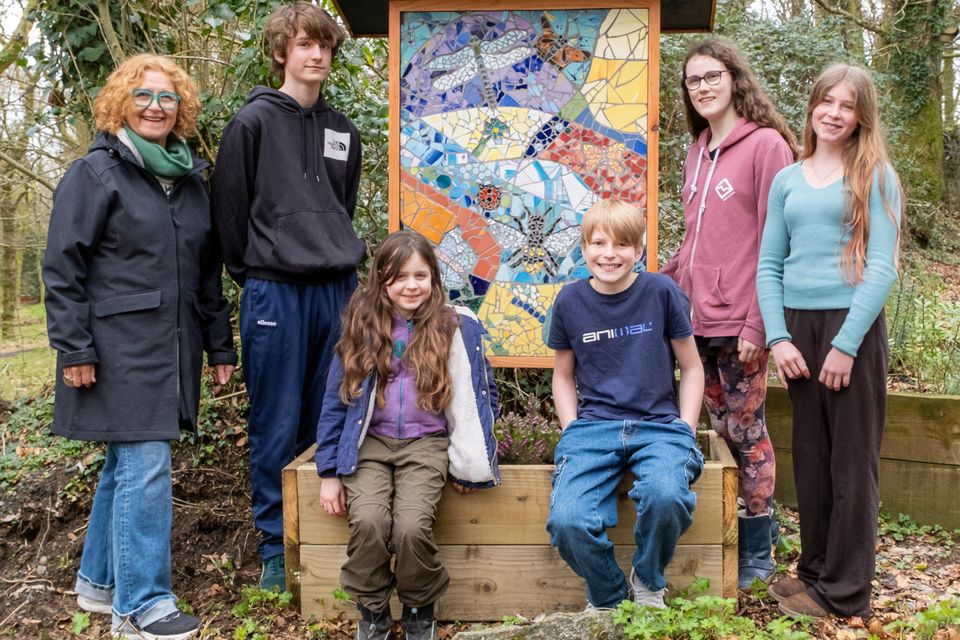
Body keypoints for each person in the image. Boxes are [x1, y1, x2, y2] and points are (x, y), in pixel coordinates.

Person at [42, 54, 236, 640]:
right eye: (144, 95)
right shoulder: (95, 174)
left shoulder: (188, 180)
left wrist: (219, 347)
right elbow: (61, 268)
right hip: (113, 349)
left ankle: (100, 587)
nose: (156, 106)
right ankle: (142, 608)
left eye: (167, 98)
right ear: (121, 102)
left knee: (124, 466)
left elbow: (206, 275)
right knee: (146, 465)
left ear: (182, 109)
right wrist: (73, 348)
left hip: (172, 349)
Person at [210, 2, 364, 590]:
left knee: (330, 416)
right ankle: (278, 548)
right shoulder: (250, 126)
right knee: (275, 423)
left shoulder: (344, 132)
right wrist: (259, 275)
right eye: (304, 45)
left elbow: (339, 209)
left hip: (337, 293)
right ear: (282, 53)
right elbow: (229, 215)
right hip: (274, 293)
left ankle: (321, 546)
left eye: (324, 46)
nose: (316, 55)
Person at [757, 63, 902, 619]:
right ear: (813, 106)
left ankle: (845, 593)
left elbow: (883, 268)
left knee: (850, 462)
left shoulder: (875, 175)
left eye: (847, 105)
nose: (834, 114)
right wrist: (778, 338)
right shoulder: (787, 179)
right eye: (826, 102)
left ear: (861, 115)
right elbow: (769, 264)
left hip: (853, 329)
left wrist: (845, 344)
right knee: (812, 459)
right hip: (797, 330)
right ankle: (815, 574)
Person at [314, 230, 500, 640]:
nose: (411, 285)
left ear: (434, 278)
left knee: (412, 527)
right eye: (399, 277)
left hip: (426, 443)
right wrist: (328, 471)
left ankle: (419, 606)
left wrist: (469, 461)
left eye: (420, 275)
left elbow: (481, 393)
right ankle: (373, 609)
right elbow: (334, 401)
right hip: (370, 446)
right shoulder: (362, 327)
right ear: (381, 280)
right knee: (368, 521)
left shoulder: (453, 327)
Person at [660, 37, 797, 590]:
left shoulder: (766, 147)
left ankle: (758, 552)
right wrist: (658, 283)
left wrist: (759, 324)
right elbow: (695, 240)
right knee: (719, 425)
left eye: (712, 75)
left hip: (742, 320)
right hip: (699, 319)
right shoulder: (697, 148)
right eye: (694, 80)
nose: (704, 87)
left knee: (747, 430)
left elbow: (776, 239)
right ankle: (761, 520)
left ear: (735, 78)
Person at [546, 199, 705, 610]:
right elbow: (563, 375)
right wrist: (570, 427)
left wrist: (686, 427)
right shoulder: (569, 302)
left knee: (667, 495)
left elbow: (691, 367)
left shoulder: (662, 292)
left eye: (622, 244)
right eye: (599, 243)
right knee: (567, 520)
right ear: (584, 249)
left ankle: (649, 580)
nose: (609, 254)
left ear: (639, 250)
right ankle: (609, 596)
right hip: (593, 430)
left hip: (659, 427)